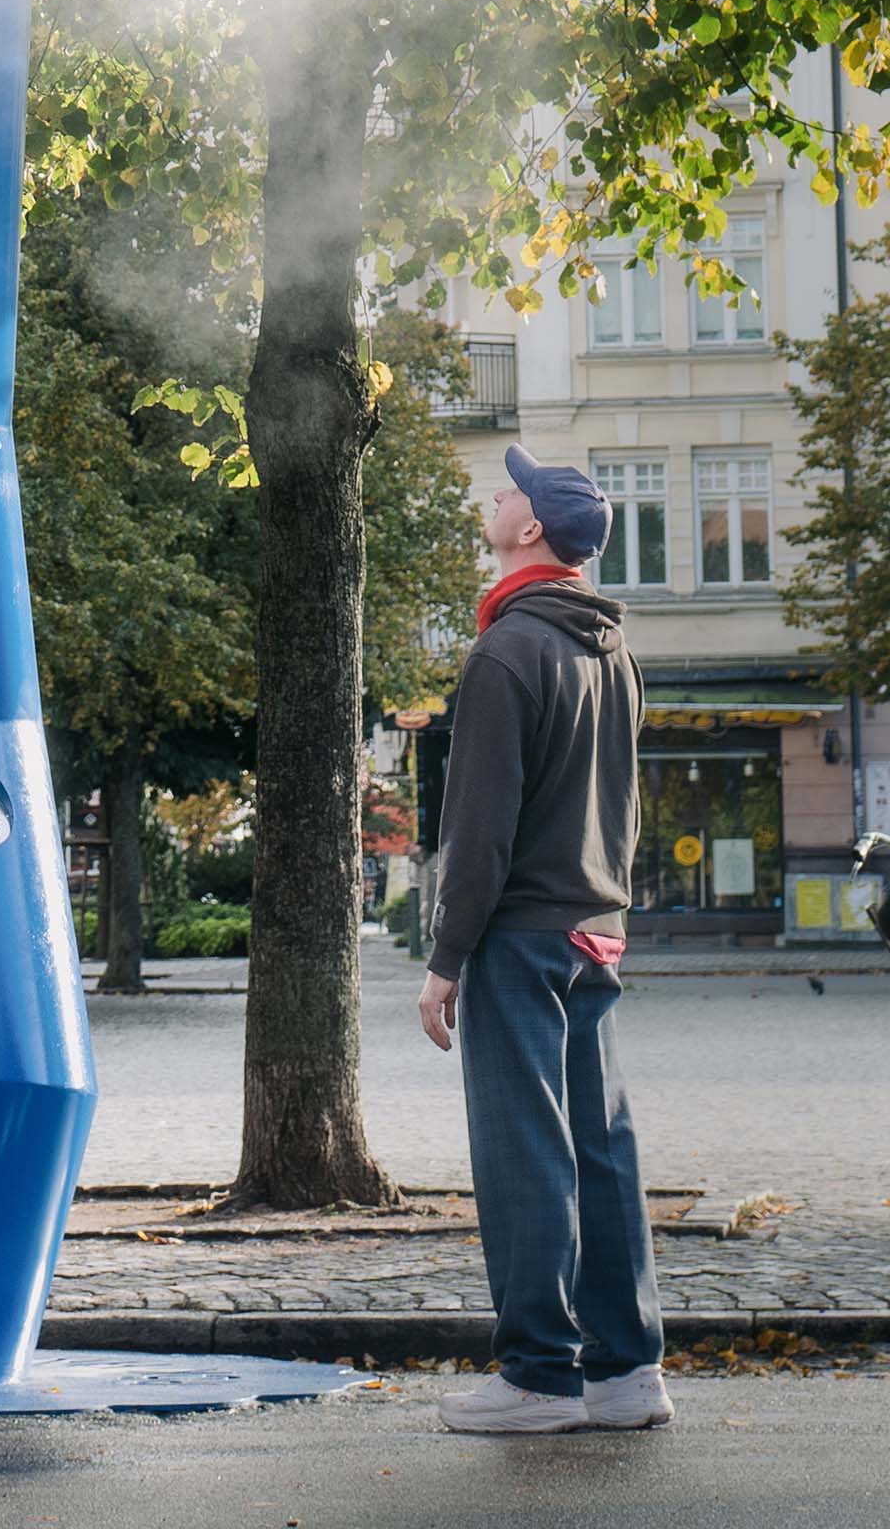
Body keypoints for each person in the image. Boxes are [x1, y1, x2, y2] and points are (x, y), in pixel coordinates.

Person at [420, 445, 672, 1437]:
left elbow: (477, 828)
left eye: (511, 488)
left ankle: (538, 1374)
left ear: (532, 531)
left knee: (526, 1147)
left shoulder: (505, 653)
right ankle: (626, 1370)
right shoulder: (613, 653)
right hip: (594, 926)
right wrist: (607, 910)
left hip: (522, 931)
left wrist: (446, 959)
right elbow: (627, 805)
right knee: (601, 1145)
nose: (497, 492)